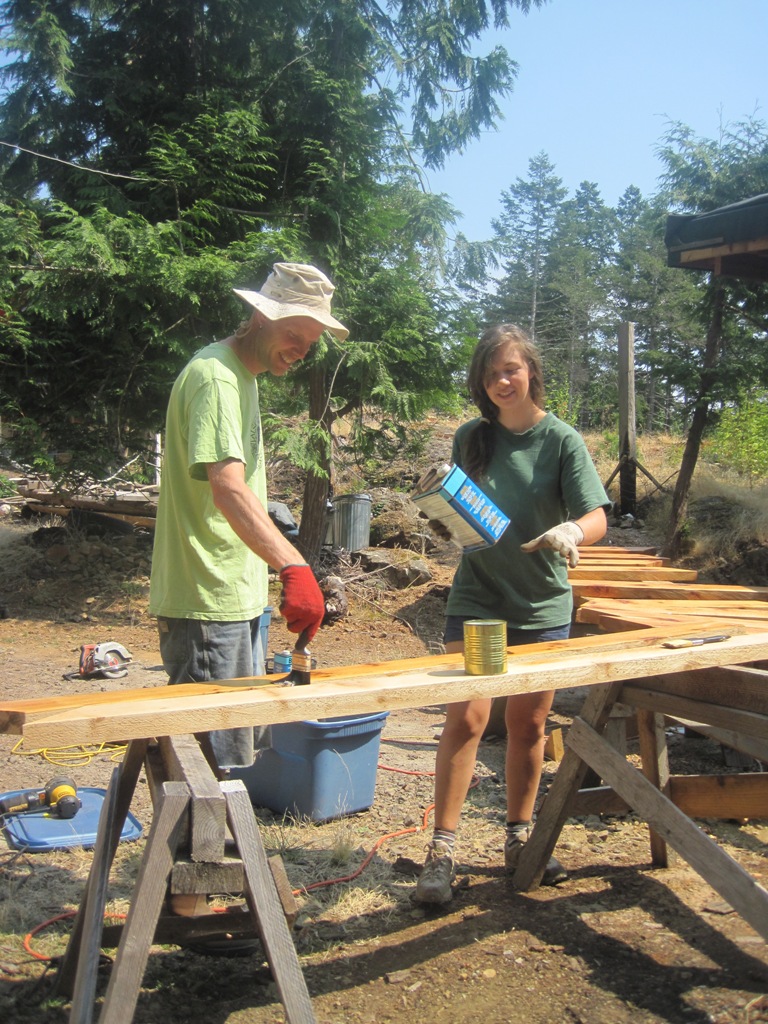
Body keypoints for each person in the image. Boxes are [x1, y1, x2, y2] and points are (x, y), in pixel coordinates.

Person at [414, 324, 611, 904]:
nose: (501, 381)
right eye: (490, 373)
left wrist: (574, 529)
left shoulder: (561, 440)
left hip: (541, 607)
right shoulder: (471, 438)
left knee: (528, 726)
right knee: (470, 719)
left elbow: (598, 515)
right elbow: (460, 514)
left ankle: (520, 839)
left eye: (510, 370)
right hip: (479, 603)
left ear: (531, 373)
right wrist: (443, 518)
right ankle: (442, 851)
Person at [149, 262, 348, 768]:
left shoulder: (242, 377)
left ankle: (217, 846)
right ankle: (202, 850)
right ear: (260, 316)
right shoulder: (215, 377)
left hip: (233, 596)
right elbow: (228, 490)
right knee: (211, 763)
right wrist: (295, 567)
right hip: (206, 600)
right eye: (294, 334)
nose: (302, 349)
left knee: (234, 751)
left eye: (312, 340)